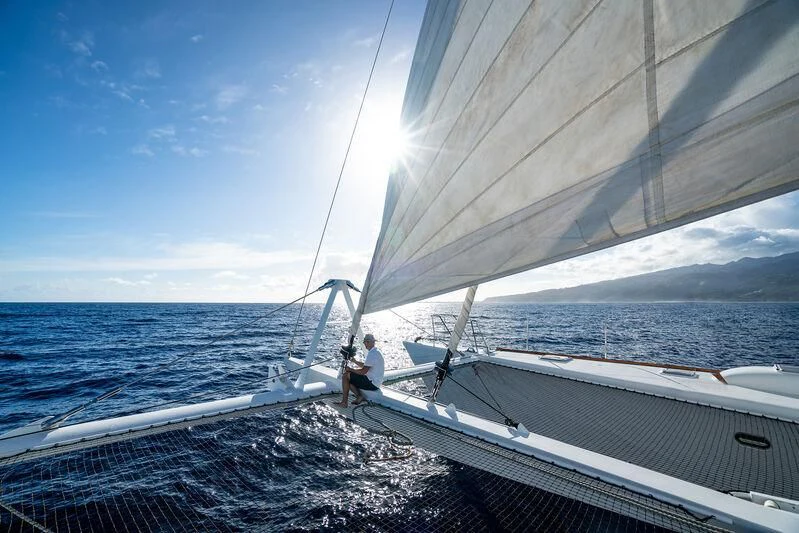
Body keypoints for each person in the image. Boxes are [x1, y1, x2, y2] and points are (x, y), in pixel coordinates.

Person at [335, 333, 384, 407]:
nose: (365, 344)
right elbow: (366, 366)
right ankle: (359, 396)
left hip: (372, 383)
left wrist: (350, 369)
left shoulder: (372, 354)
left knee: (345, 376)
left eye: (366, 342)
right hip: (376, 382)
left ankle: (344, 403)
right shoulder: (376, 352)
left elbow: (363, 371)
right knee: (349, 377)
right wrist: (355, 361)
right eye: (365, 342)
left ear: (371, 342)